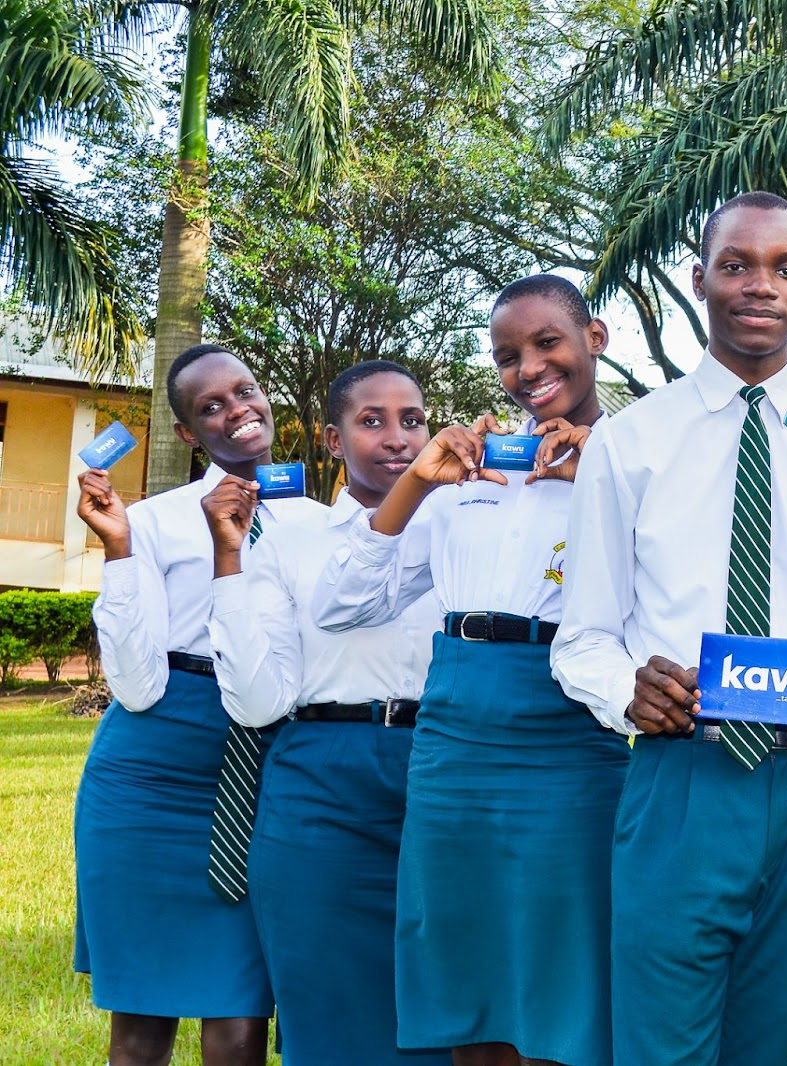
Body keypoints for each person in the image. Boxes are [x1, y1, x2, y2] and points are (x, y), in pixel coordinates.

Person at [551, 191, 787, 1066]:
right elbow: (583, 638)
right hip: (684, 776)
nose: (760, 285)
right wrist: (627, 691)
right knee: (661, 1045)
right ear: (700, 279)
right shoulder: (630, 444)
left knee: (765, 1042)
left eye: (785, 269)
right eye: (736, 265)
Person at [312, 277, 627, 1066]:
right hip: (455, 738)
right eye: (507, 355)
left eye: (547, 343)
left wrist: (606, 478)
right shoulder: (468, 469)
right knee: (462, 963)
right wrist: (418, 479)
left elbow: (683, 594)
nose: (529, 368)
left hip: (569, 732)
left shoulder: (640, 463)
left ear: (594, 338)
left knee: (562, 963)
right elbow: (344, 604)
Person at [73, 343, 319, 1066]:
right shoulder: (152, 521)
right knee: (140, 1030)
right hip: (149, 774)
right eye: (211, 406)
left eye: (244, 390)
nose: (237, 410)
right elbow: (135, 686)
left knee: (240, 1020)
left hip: (260, 768)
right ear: (187, 432)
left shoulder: (320, 521)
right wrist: (118, 548)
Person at [205, 360, 451, 1064]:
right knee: (328, 1010)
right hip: (320, 787)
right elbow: (257, 701)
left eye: (412, 420)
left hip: (444, 772)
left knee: (444, 1006)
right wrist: (229, 560)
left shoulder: (461, 530)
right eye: (372, 421)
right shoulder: (288, 538)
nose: (397, 437)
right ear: (333, 440)